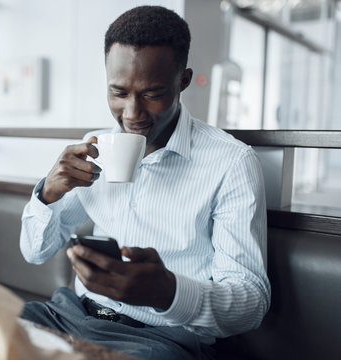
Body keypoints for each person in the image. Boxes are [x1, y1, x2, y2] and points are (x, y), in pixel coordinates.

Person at [19, 5, 270, 360]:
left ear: (183, 81)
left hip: (161, 339)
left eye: (152, 93)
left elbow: (251, 303)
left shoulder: (232, 163)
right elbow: (35, 251)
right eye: (119, 93)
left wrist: (167, 292)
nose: (133, 114)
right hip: (70, 315)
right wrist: (47, 194)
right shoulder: (93, 147)